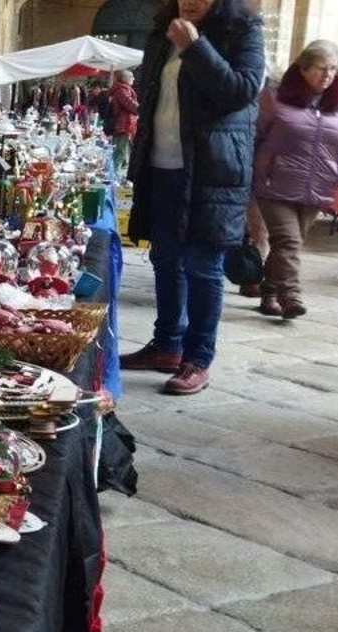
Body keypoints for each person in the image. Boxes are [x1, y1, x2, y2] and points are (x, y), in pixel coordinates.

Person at [120, 0, 265, 396]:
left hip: (211, 170)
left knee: (202, 264)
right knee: (165, 259)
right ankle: (167, 344)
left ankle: (198, 358)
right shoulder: (163, 29)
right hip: (161, 163)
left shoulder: (242, 29)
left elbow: (242, 91)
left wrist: (196, 47)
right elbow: (151, 99)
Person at [252, 40, 338, 319]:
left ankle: (268, 290)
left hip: (318, 188)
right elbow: (253, 136)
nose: (328, 75)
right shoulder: (273, 97)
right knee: (288, 240)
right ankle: (290, 296)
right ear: (303, 67)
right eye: (321, 68)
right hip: (274, 184)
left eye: (334, 69)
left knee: (286, 244)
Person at [109, 70, 140, 175]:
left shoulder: (121, 89)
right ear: (124, 79)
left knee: (122, 150)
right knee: (121, 151)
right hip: (123, 125)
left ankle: (115, 173)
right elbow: (132, 105)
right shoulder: (122, 90)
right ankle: (114, 175)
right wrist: (144, 108)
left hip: (124, 124)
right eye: (132, 77)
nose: (134, 79)